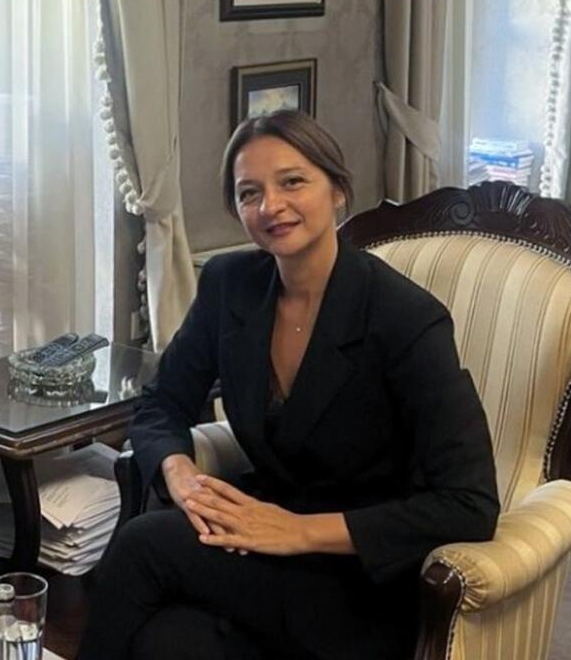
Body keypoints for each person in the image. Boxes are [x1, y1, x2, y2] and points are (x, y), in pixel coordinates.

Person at [77, 110, 500, 659]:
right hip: (264, 547)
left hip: (361, 579)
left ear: (338, 190)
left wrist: (298, 531)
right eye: (249, 193)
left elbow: (469, 504)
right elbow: (162, 403)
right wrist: (181, 474)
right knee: (168, 642)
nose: (270, 206)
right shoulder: (230, 284)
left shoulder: (405, 318)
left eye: (292, 181)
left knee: (142, 545)